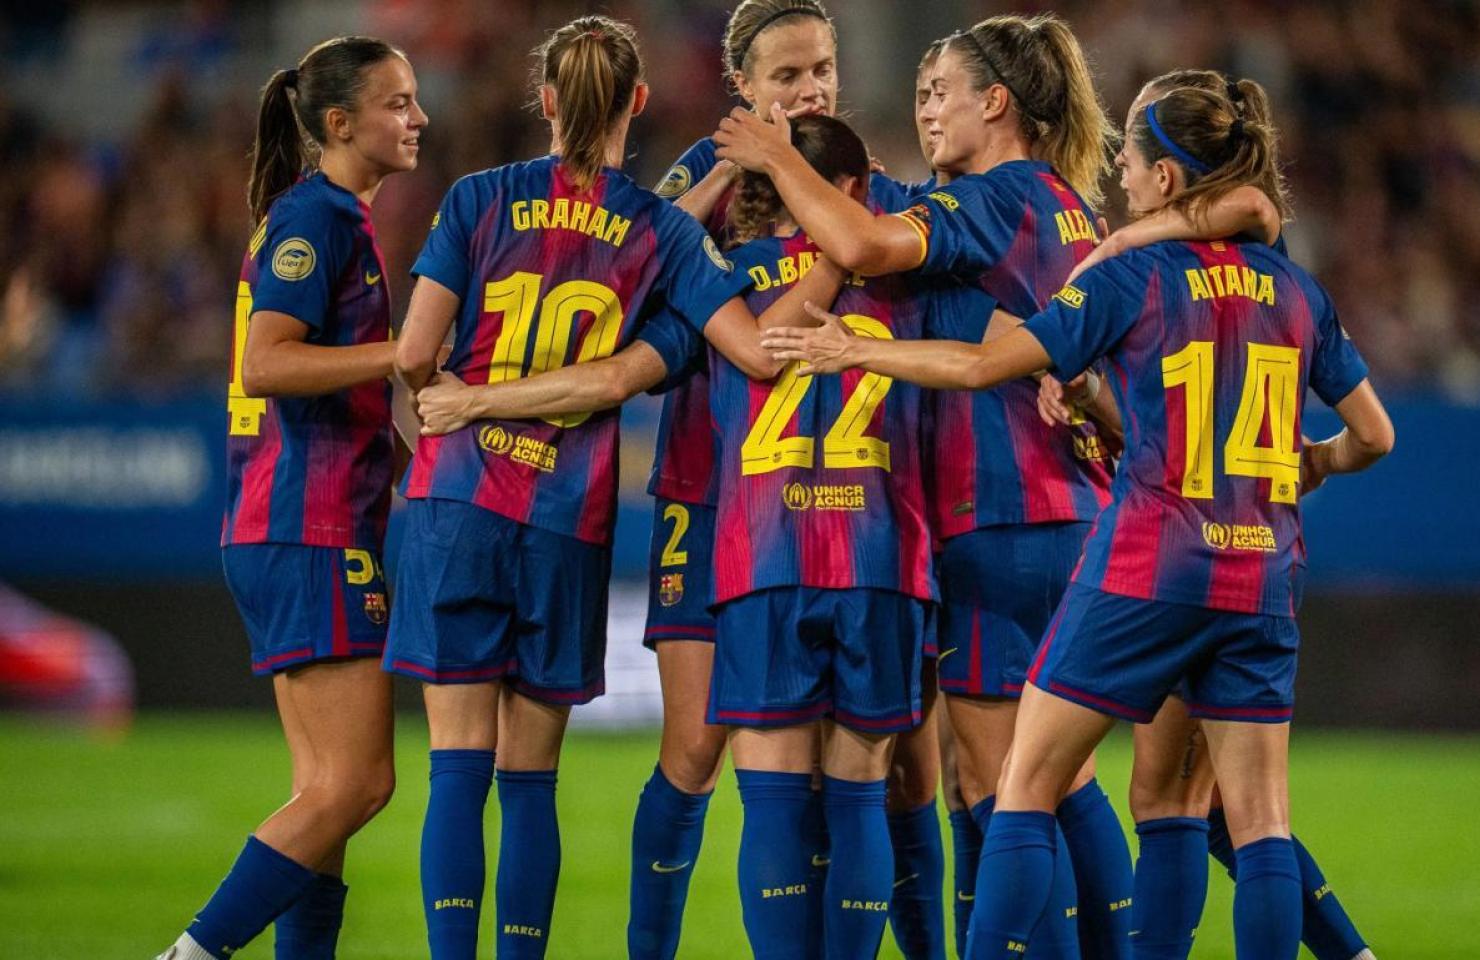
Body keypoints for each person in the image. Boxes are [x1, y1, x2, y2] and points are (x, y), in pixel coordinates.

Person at [761, 79, 1395, 960]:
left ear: (1167, 179)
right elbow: (1376, 434)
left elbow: (984, 367)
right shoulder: (1297, 291)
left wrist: (854, 347)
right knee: (1256, 825)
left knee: (1023, 787)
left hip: (1149, 563)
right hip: (1263, 570)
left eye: (1131, 166)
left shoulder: (1132, 276)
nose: (1120, 182)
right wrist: (1317, 462)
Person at [717, 14, 1135, 957]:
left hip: (995, 511)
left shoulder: (992, 198)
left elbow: (864, 246)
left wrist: (779, 158)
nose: (926, 111)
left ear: (995, 101)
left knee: (1004, 789)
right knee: (1061, 783)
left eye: (939, 92)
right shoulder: (1067, 203)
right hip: (1073, 507)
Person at [383, 17, 770, 960]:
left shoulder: (477, 199)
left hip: (458, 504)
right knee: (530, 783)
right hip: (563, 518)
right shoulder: (660, 230)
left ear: (547, 100)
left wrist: (464, 408)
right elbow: (733, 352)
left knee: (455, 774)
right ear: (638, 103)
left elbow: (410, 356)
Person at [640, 5, 943, 958]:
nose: (810, 90)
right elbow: (630, 257)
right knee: (696, 748)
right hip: (712, 490)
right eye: (786, 77)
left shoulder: (872, 191)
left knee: (906, 773)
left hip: (855, 506)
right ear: (744, 91)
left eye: (823, 69)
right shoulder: (709, 180)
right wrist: (746, 163)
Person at [156, 36, 426, 960]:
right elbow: (268, 361)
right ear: (340, 123)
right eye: (397, 103)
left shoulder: (322, 217)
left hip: (290, 523)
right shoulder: (316, 220)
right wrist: (401, 356)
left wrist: (415, 470)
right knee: (356, 786)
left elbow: (329, 390)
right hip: (308, 527)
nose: (418, 118)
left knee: (327, 796)